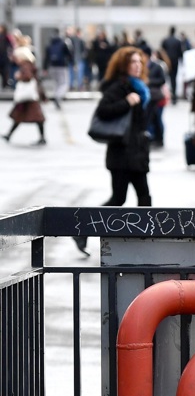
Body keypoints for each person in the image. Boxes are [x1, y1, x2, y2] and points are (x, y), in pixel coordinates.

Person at [71, 47, 153, 255]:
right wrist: (126, 102)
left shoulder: (141, 88)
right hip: (121, 154)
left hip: (137, 152)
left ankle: (147, 240)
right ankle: (82, 230)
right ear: (123, 65)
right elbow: (104, 111)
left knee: (144, 197)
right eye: (133, 62)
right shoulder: (118, 87)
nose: (138, 65)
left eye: (140, 62)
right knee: (119, 199)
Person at [3, 48, 46, 145]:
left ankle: (42, 137)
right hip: (30, 96)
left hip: (28, 96)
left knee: (35, 117)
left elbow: (28, 76)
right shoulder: (29, 64)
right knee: (21, 115)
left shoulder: (25, 64)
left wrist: (19, 76)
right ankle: (9, 135)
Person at [144, 48, 169, 147]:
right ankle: (151, 137)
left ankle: (159, 138)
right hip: (148, 97)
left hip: (157, 97)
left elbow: (162, 80)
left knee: (158, 118)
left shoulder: (158, 66)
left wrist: (149, 81)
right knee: (149, 119)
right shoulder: (141, 66)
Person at [45, 32, 71, 108]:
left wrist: (45, 68)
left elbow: (46, 58)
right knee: (64, 83)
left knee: (57, 83)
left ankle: (57, 97)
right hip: (62, 66)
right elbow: (69, 55)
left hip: (52, 67)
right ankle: (57, 96)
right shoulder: (63, 44)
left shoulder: (49, 46)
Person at [161, 26, 184, 104]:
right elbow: (180, 52)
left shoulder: (165, 40)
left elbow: (162, 52)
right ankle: (173, 95)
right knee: (174, 79)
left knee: (167, 79)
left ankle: (168, 94)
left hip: (167, 62)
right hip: (175, 62)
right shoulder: (178, 41)